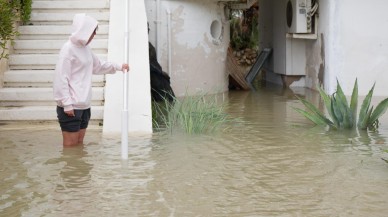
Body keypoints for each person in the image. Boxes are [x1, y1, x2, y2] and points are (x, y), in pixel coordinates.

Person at [53, 14, 129, 147]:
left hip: (84, 106)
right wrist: (67, 103)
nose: (93, 36)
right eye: (92, 33)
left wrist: (118, 66)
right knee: (70, 147)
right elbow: (61, 77)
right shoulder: (68, 49)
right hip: (71, 107)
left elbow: (98, 66)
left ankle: (80, 168)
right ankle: (70, 169)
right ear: (84, 31)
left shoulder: (85, 49)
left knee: (79, 145)